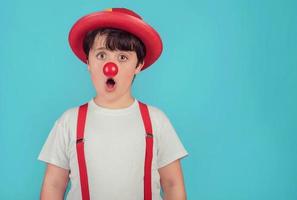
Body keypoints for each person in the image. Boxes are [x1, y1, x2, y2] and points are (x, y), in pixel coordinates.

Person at [38, 8, 188, 200]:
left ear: (139, 65)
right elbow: (54, 184)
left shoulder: (156, 121)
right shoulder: (69, 122)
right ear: (88, 61)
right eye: (101, 55)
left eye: (123, 57)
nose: (111, 67)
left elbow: (173, 184)